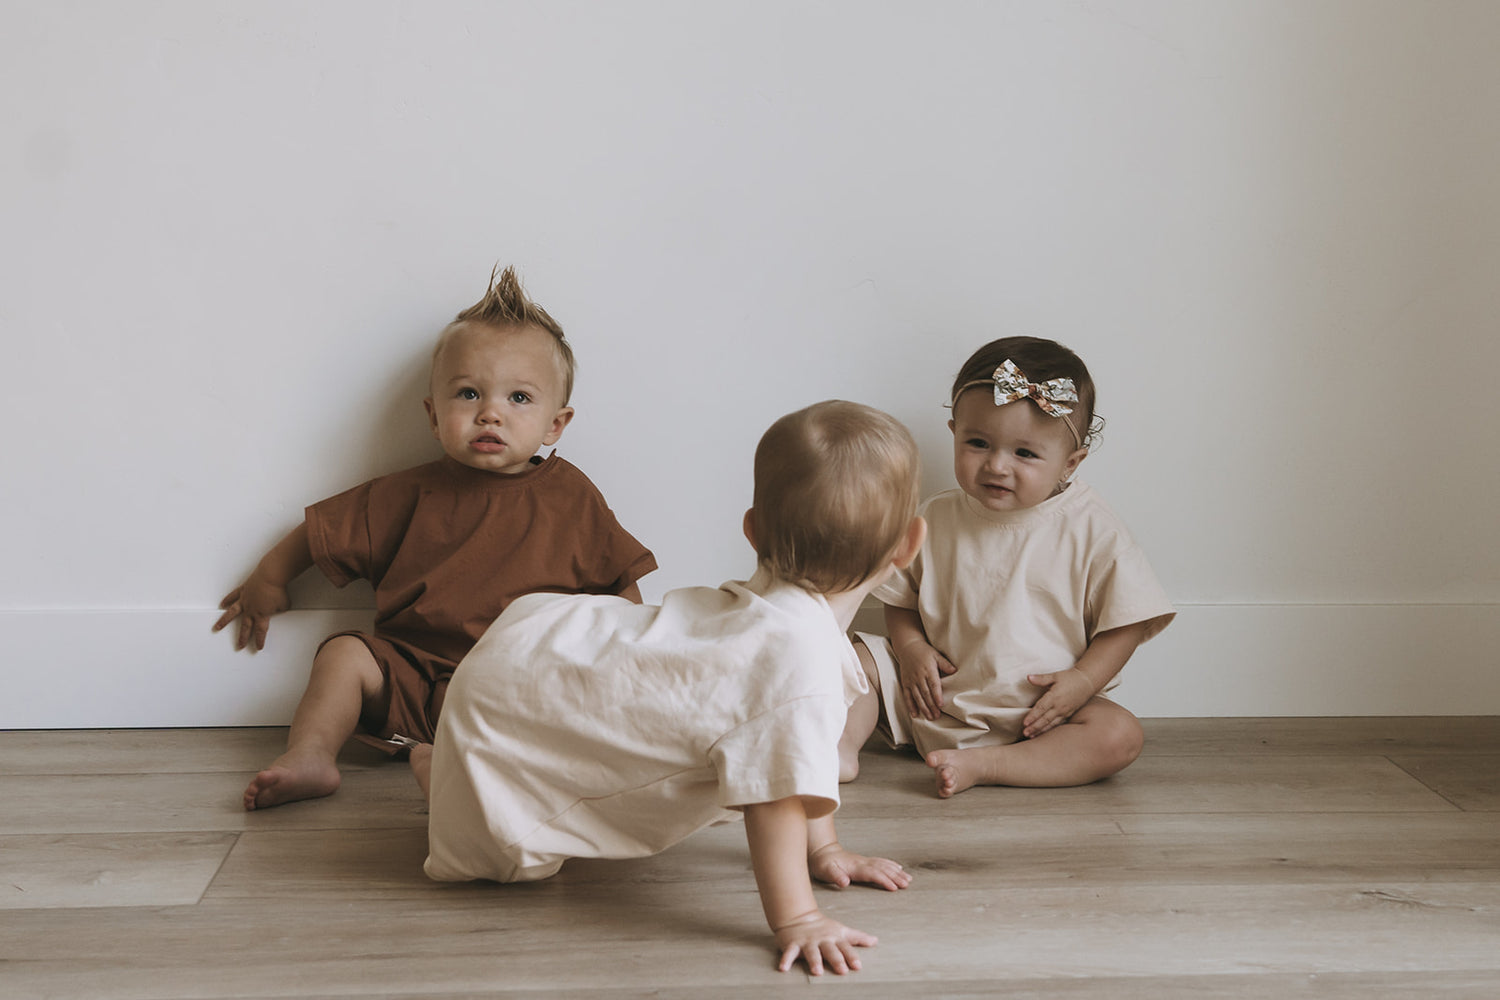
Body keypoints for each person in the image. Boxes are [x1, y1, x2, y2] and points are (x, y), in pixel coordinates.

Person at [410, 400, 925, 976]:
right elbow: (774, 800)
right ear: (909, 546)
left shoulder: (779, 619)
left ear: (753, 531)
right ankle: (446, 779)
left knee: (505, 764)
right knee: (505, 855)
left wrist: (824, 849)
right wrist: (798, 919)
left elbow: (795, 757)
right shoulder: (797, 661)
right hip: (512, 694)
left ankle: (449, 763)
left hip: (536, 648)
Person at [214, 267, 656, 811]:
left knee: (572, 701)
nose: (490, 412)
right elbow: (319, 532)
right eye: (469, 393)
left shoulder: (572, 497)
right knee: (345, 654)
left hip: (516, 686)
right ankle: (310, 754)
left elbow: (621, 587)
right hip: (413, 677)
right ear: (433, 414)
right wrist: (271, 577)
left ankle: (479, 772)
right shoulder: (407, 494)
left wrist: (630, 657)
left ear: (554, 425)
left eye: (519, 398)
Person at [839, 336, 1175, 798]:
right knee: (850, 660)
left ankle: (990, 763)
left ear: (1069, 464)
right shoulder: (935, 516)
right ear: (954, 431)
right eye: (977, 443)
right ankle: (839, 747)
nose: (996, 465)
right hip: (933, 698)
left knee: (1118, 734)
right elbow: (902, 597)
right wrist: (912, 647)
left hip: (1037, 715)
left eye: (1025, 453)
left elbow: (1127, 622)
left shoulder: (1091, 528)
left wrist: (1082, 681)